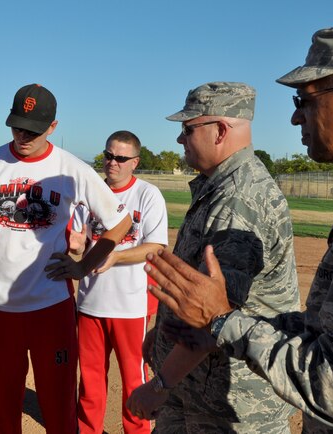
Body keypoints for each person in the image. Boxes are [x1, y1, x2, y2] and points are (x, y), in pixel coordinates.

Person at [144, 25, 333, 433]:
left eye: (306, 100)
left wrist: (223, 322)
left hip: (230, 403)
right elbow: (326, 329)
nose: (296, 115)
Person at [0, 83, 132, 434]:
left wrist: (84, 266)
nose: (23, 135)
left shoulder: (72, 169)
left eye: (34, 129)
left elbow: (120, 222)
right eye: (17, 126)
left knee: (58, 406)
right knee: (3, 404)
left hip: (50, 306)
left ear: (52, 127)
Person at [127, 82, 300, 433]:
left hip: (230, 402)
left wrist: (160, 383)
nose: (180, 139)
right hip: (197, 387)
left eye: (188, 129)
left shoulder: (238, 198)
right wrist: (162, 333)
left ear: (220, 130)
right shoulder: (222, 184)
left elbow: (214, 313)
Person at [70, 130, 168, 434]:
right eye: (108, 156)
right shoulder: (89, 193)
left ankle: (137, 431)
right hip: (90, 302)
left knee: (134, 380)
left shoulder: (147, 194)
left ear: (134, 162)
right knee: (90, 379)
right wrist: (74, 246)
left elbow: (156, 247)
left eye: (120, 158)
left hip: (130, 304)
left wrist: (115, 256)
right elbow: (77, 246)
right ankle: (88, 430)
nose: (112, 162)